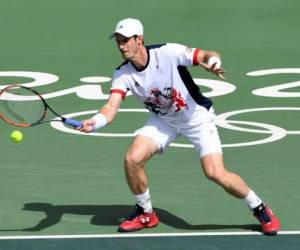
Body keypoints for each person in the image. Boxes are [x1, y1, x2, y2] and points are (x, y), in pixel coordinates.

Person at [79, 18, 280, 235]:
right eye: (118, 41)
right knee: (132, 159)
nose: (121, 46)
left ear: (139, 39)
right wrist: (96, 121)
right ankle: (146, 213)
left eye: (125, 40)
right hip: (164, 121)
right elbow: (111, 107)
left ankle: (259, 207)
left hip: (196, 118)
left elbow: (205, 55)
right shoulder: (123, 74)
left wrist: (214, 62)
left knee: (215, 172)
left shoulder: (167, 53)